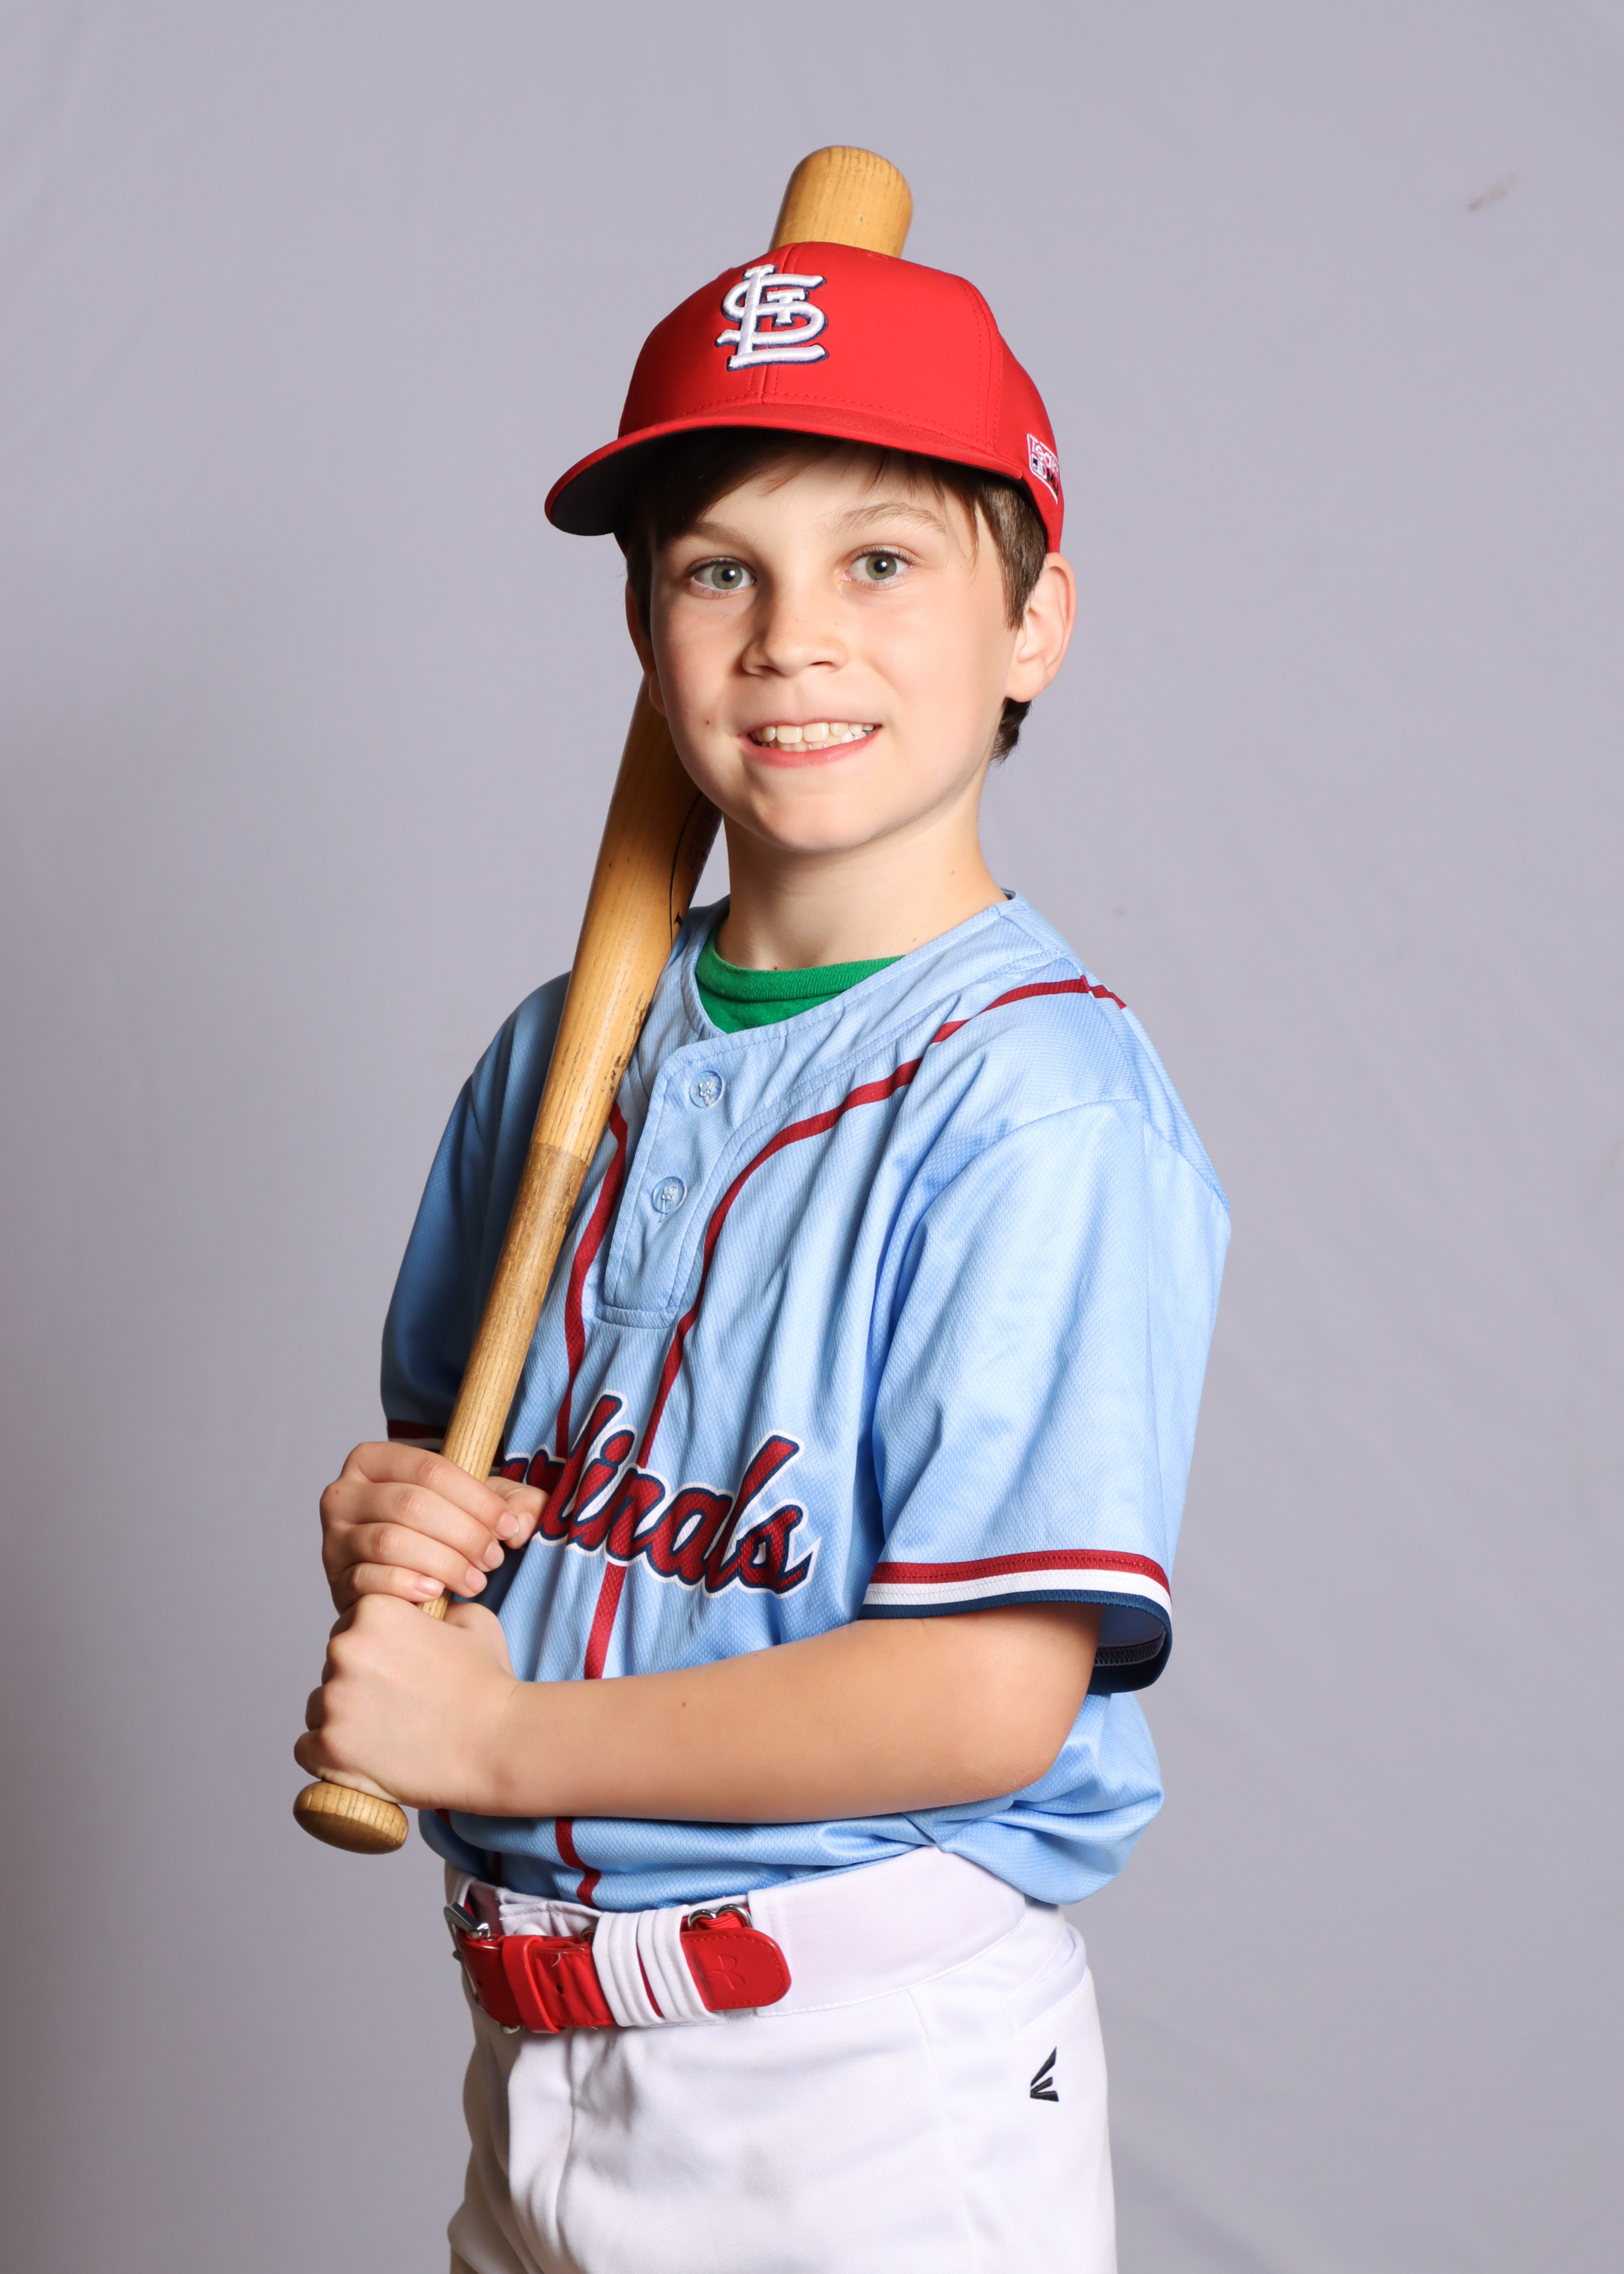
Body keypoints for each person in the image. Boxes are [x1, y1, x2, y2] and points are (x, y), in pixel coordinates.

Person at [296, 240, 1229, 2274]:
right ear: (646, 628)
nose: (794, 636)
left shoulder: (1037, 1104)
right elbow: (487, 1503)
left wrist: (494, 1740)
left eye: (880, 561)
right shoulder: (559, 1051)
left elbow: (982, 1691)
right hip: (533, 2057)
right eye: (721, 569)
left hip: (861, 2087)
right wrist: (398, 1529)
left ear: (1033, 622)